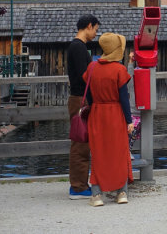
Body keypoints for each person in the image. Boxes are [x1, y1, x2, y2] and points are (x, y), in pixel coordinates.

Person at [84, 32, 135, 207]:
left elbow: (89, 97)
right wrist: (129, 120)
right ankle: (121, 193)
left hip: (97, 112)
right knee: (119, 152)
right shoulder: (120, 70)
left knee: (98, 154)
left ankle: (97, 195)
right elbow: (124, 99)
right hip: (115, 113)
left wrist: (97, 106)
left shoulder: (91, 68)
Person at [67, 14, 100, 200]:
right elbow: (84, 76)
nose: (96, 33)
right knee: (80, 143)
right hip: (81, 99)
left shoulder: (77, 47)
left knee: (81, 142)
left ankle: (79, 185)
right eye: (95, 29)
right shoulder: (78, 48)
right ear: (89, 26)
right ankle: (78, 187)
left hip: (79, 98)